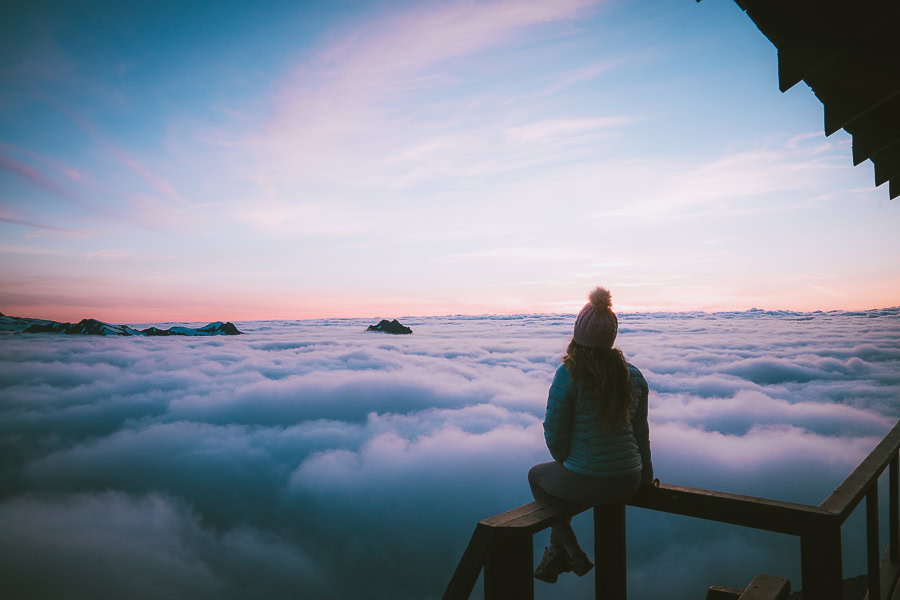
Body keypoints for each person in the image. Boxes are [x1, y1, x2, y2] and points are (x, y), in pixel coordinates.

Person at [528, 286, 656, 583]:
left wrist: (567, 461)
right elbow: (641, 433)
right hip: (629, 481)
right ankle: (554, 554)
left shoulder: (569, 374)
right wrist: (646, 477)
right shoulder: (634, 375)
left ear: (578, 338)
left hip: (590, 482)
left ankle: (572, 552)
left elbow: (556, 437)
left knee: (537, 477)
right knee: (568, 480)